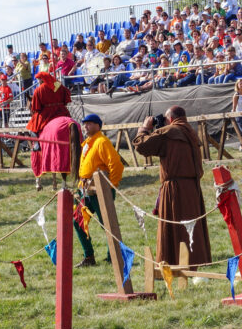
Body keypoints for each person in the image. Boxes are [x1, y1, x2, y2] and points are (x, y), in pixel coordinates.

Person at [132, 105, 211, 267]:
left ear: (171, 119)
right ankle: (195, 262)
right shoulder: (191, 133)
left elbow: (141, 146)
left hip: (174, 188)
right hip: (193, 188)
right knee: (191, 227)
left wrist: (145, 127)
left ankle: (173, 262)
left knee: (175, 226)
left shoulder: (168, 132)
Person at [74, 113, 124, 268]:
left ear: (98, 125)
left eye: (89, 123)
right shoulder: (88, 143)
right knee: (78, 221)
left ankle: (113, 256)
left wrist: (109, 186)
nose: (85, 126)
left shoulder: (102, 142)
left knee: (108, 225)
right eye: (84, 123)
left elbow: (116, 165)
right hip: (86, 190)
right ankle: (89, 256)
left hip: (100, 190)